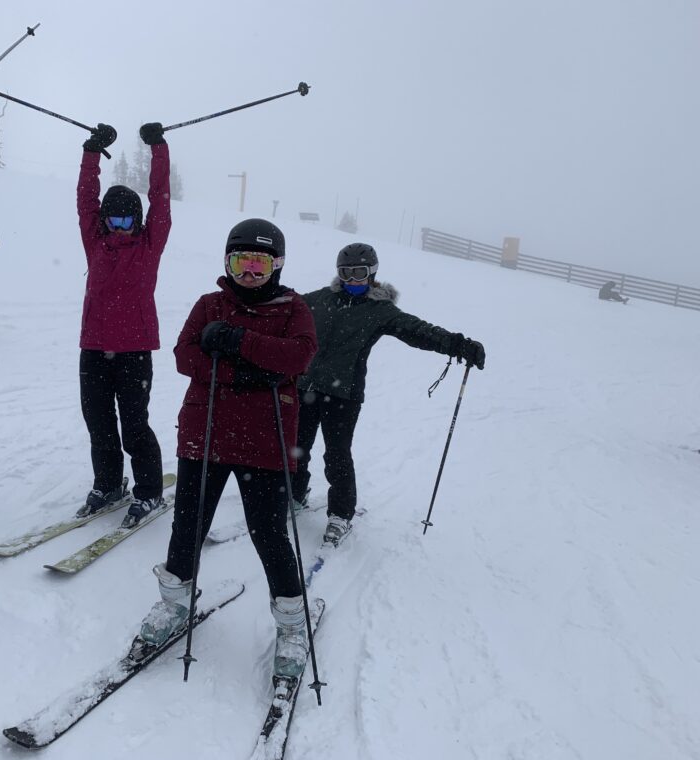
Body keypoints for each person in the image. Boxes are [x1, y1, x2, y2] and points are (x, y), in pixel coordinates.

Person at [136, 218, 318, 679]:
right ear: (227, 262)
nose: (250, 272)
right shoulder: (209, 304)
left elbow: (298, 357)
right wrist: (250, 372)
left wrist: (239, 342)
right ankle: (175, 603)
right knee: (187, 526)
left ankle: (293, 623)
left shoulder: (294, 309)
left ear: (277, 264)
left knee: (269, 534)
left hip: (266, 441)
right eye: (241, 261)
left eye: (260, 263)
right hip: (205, 433)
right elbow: (184, 356)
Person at [291, 243, 486, 545]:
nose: (352, 280)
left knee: (337, 454)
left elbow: (419, 330)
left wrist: (458, 344)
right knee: (296, 446)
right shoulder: (319, 299)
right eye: (346, 273)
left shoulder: (379, 310)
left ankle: (341, 514)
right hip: (306, 387)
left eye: (359, 273)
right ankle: (294, 493)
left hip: (343, 394)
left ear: (372, 273)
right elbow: (282, 311)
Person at [76, 121, 172, 527]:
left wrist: (158, 148)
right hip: (94, 349)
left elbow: (160, 199)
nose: (119, 228)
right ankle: (109, 484)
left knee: (134, 425)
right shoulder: (94, 240)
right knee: (98, 423)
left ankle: (148, 492)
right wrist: (91, 154)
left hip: (134, 352)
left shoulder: (150, 244)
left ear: (137, 221)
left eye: (126, 221)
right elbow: (86, 199)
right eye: (113, 221)